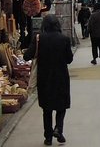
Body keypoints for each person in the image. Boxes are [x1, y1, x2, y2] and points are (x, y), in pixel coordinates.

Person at [24, 14, 73, 146]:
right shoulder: (64, 39)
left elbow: (26, 56)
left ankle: (48, 137)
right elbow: (69, 59)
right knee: (61, 106)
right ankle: (59, 129)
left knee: (47, 108)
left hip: (44, 78)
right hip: (61, 76)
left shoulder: (39, 39)